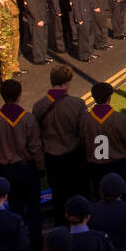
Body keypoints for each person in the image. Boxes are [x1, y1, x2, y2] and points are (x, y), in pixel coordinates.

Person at [33, 65, 87, 228]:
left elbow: (37, 135)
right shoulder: (77, 104)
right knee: (78, 192)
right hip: (74, 154)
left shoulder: (39, 106)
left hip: (51, 156)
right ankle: (81, 225)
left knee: (58, 195)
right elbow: (83, 132)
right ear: (68, 82)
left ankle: (61, 227)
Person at [80, 81, 126, 200]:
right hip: (117, 164)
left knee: (101, 198)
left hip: (96, 166)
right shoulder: (119, 118)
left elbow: (83, 141)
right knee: (123, 197)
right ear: (109, 97)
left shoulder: (85, 119)